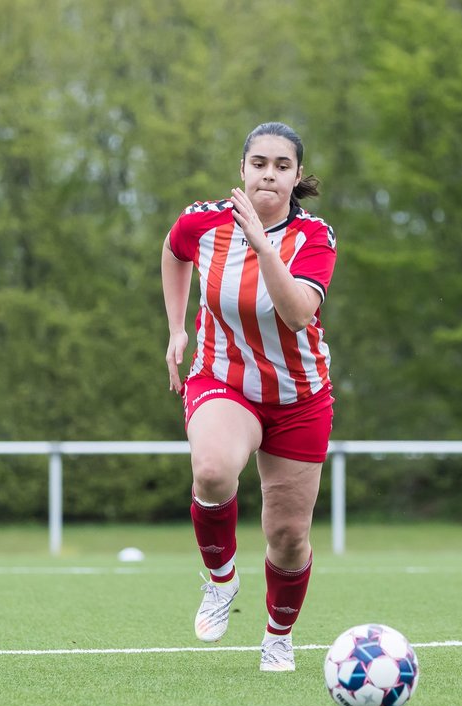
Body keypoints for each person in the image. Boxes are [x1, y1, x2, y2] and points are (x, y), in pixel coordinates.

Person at [161, 122, 337, 672]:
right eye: (259, 163)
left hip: (298, 397)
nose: (268, 174)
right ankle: (220, 580)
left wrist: (263, 246)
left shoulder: (314, 238)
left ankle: (278, 637)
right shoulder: (204, 221)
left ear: (295, 177)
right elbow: (174, 251)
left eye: (281, 166)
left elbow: (298, 313)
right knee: (212, 472)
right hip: (224, 379)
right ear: (242, 169)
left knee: (288, 536)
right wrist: (176, 328)